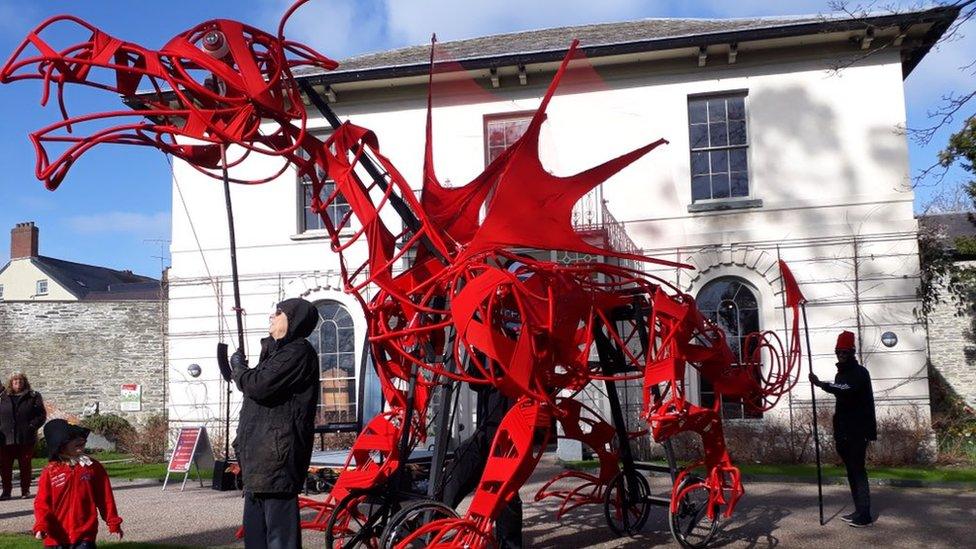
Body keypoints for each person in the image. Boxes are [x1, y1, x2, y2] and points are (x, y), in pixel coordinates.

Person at [230, 298, 319, 549]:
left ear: (293, 320)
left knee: (280, 541)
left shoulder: (298, 352)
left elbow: (259, 386)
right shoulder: (277, 354)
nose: (272, 315)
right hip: (260, 463)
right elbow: (256, 386)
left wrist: (239, 370)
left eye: (278, 312)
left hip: (277, 462)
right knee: (256, 539)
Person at [809, 330, 877, 527]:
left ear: (853, 352)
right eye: (838, 351)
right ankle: (858, 511)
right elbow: (842, 394)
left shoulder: (859, 373)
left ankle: (865, 515)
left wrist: (821, 384)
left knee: (858, 470)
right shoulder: (841, 374)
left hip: (858, 431)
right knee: (850, 471)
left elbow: (846, 390)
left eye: (845, 352)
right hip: (844, 431)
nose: (841, 355)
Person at [33, 419, 123, 548]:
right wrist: (41, 525)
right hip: (55, 537)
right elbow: (41, 503)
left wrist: (113, 523)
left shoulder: (92, 467)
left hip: (84, 536)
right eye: (73, 438)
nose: (80, 440)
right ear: (60, 444)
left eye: (81, 437)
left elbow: (105, 498)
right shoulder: (50, 471)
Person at [0, 371, 47, 499]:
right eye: (15, 381)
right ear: (10, 382)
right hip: (5, 438)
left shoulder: (33, 396)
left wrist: (32, 426)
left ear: (25, 382)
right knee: (5, 467)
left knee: (25, 466)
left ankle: (25, 491)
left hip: (26, 438)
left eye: (20, 380)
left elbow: (41, 415)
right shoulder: (2, 397)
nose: (18, 383)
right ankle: (6, 492)